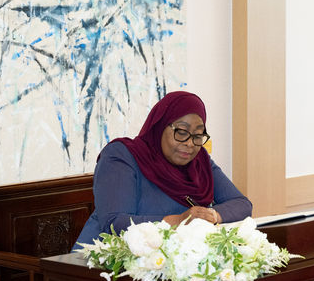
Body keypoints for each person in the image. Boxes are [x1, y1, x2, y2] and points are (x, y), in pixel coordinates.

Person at [75, 91, 252, 248]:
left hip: (170, 264)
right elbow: (114, 223)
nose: (190, 143)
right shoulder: (121, 156)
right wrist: (178, 221)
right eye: (182, 132)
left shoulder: (200, 162)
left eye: (198, 135)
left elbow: (242, 204)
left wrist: (211, 215)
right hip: (102, 265)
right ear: (159, 126)